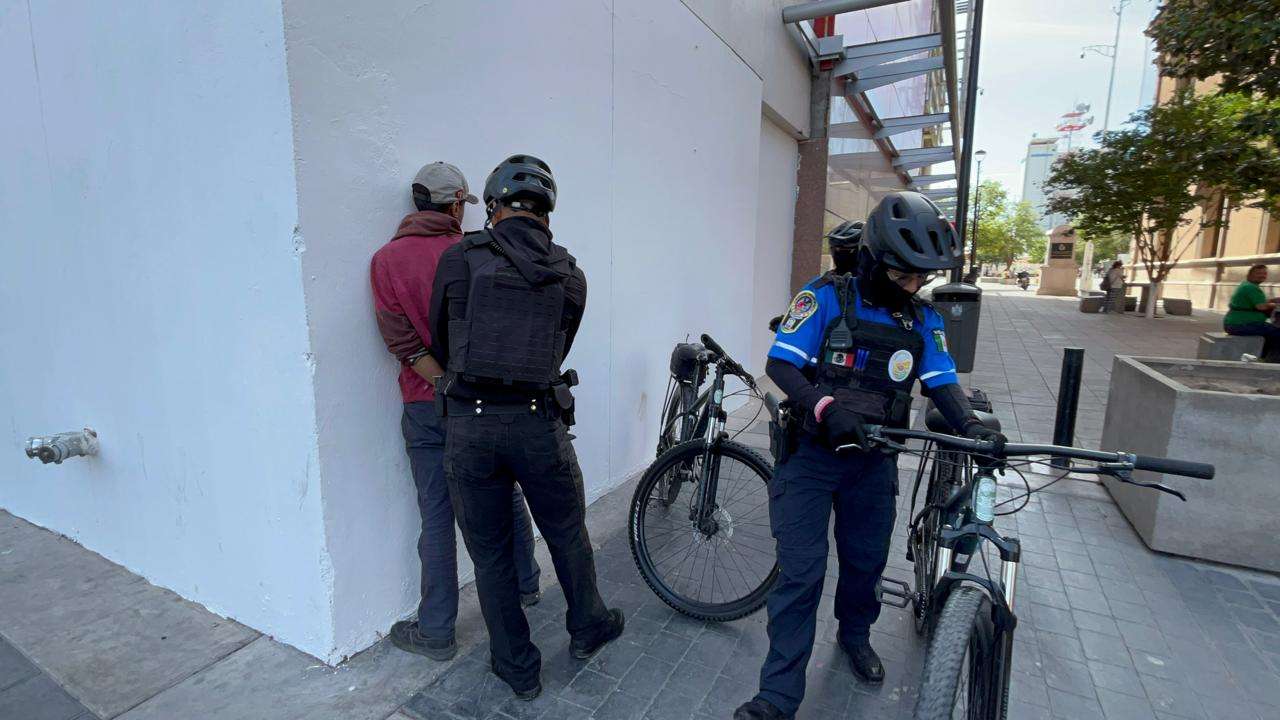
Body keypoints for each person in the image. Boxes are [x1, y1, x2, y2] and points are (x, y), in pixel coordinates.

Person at [733, 192, 1006, 720]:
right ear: (874, 260)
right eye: (903, 276)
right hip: (811, 459)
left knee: (864, 565)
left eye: (920, 279)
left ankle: (855, 635)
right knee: (801, 575)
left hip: (874, 465)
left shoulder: (922, 319)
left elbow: (942, 383)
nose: (913, 287)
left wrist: (972, 427)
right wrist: (824, 406)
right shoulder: (824, 297)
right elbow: (781, 365)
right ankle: (778, 696)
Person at [428, 155, 622, 700]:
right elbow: (559, 348)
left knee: (491, 556)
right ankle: (588, 627)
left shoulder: (458, 258)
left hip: (470, 427)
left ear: (493, 206)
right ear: (546, 213)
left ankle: (517, 668)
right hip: (539, 424)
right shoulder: (571, 274)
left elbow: (441, 340)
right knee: (567, 533)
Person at [371, 162, 544, 662]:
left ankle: (436, 629)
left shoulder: (385, 261)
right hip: (483, 402)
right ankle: (527, 583)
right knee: (505, 494)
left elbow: (402, 342)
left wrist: (440, 381)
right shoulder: (476, 251)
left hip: (424, 403)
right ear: (453, 206)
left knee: (436, 514)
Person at [1223, 264, 1280, 361]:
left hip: (1235, 324)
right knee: (1277, 333)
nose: (1262, 276)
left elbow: (1256, 303)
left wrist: (1272, 301)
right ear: (1250, 275)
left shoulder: (1247, 285)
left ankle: (1263, 357)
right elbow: (1261, 306)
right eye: (1258, 273)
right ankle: (1272, 361)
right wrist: (1274, 305)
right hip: (1240, 325)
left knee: (1270, 331)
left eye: (1264, 273)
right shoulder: (1251, 288)